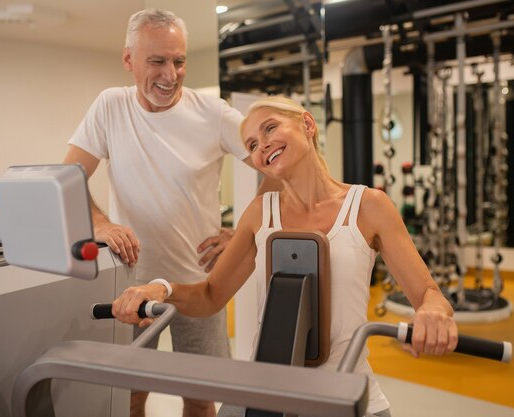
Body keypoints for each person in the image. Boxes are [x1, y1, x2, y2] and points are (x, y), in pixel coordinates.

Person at [112, 96, 459, 417]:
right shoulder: (261, 212)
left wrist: (432, 311)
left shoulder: (369, 206)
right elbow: (210, 296)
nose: (261, 145)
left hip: (347, 393)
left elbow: (429, 293)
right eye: (251, 144)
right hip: (267, 393)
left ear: (307, 125)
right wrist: (162, 288)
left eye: (270, 128)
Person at [63, 8, 275, 417]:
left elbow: (278, 171)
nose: (170, 74)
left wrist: (242, 233)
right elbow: (68, 177)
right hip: (132, 283)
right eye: (157, 61)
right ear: (129, 60)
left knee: (199, 397)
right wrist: (102, 223)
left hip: (199, 285)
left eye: (178, 61)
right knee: (129, 396)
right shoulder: (110, 106)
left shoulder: (213, 114)